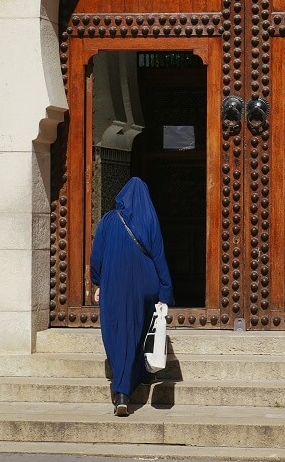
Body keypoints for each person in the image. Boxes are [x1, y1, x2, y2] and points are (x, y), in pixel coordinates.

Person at [91, 177, 175, 417]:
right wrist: (165, 290)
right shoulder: (149, 219)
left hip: (115, 286)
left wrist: (98, 282)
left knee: (117, 334)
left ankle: (121, 392)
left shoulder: (108, 220)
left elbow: (97, 255)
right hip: (144, 285)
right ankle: (142, 375)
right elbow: (158, 256)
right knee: (140, 330)